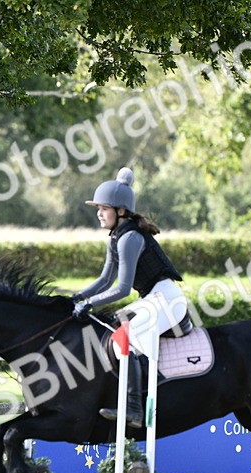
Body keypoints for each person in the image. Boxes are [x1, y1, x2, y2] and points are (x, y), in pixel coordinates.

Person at [71, 167, 188, 428]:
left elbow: (122, 289)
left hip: (167, 300)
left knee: (128, 337)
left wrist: (88, 304)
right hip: (154, 298)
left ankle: (134, 409)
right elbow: (104, 280)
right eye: (98, 208)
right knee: (116, 331)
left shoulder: (130, 239)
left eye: (103, 208)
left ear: (120, 211)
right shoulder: (117, 237)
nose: (99, 213)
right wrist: (76, 297)